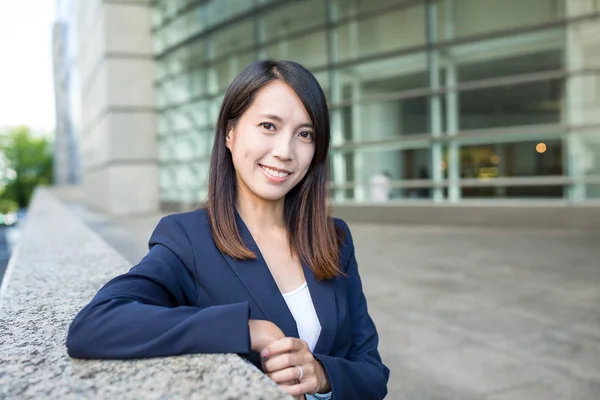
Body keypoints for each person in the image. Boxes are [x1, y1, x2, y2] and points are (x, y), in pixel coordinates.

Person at [66, 60, 389, 400]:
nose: (284, 152)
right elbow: (95, 325)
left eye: (304, 134)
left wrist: (322, 376)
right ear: (230, 133)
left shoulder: (334, 239)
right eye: (268, 126)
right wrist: (247, 330)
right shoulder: (188, 238)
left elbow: (372, 373)